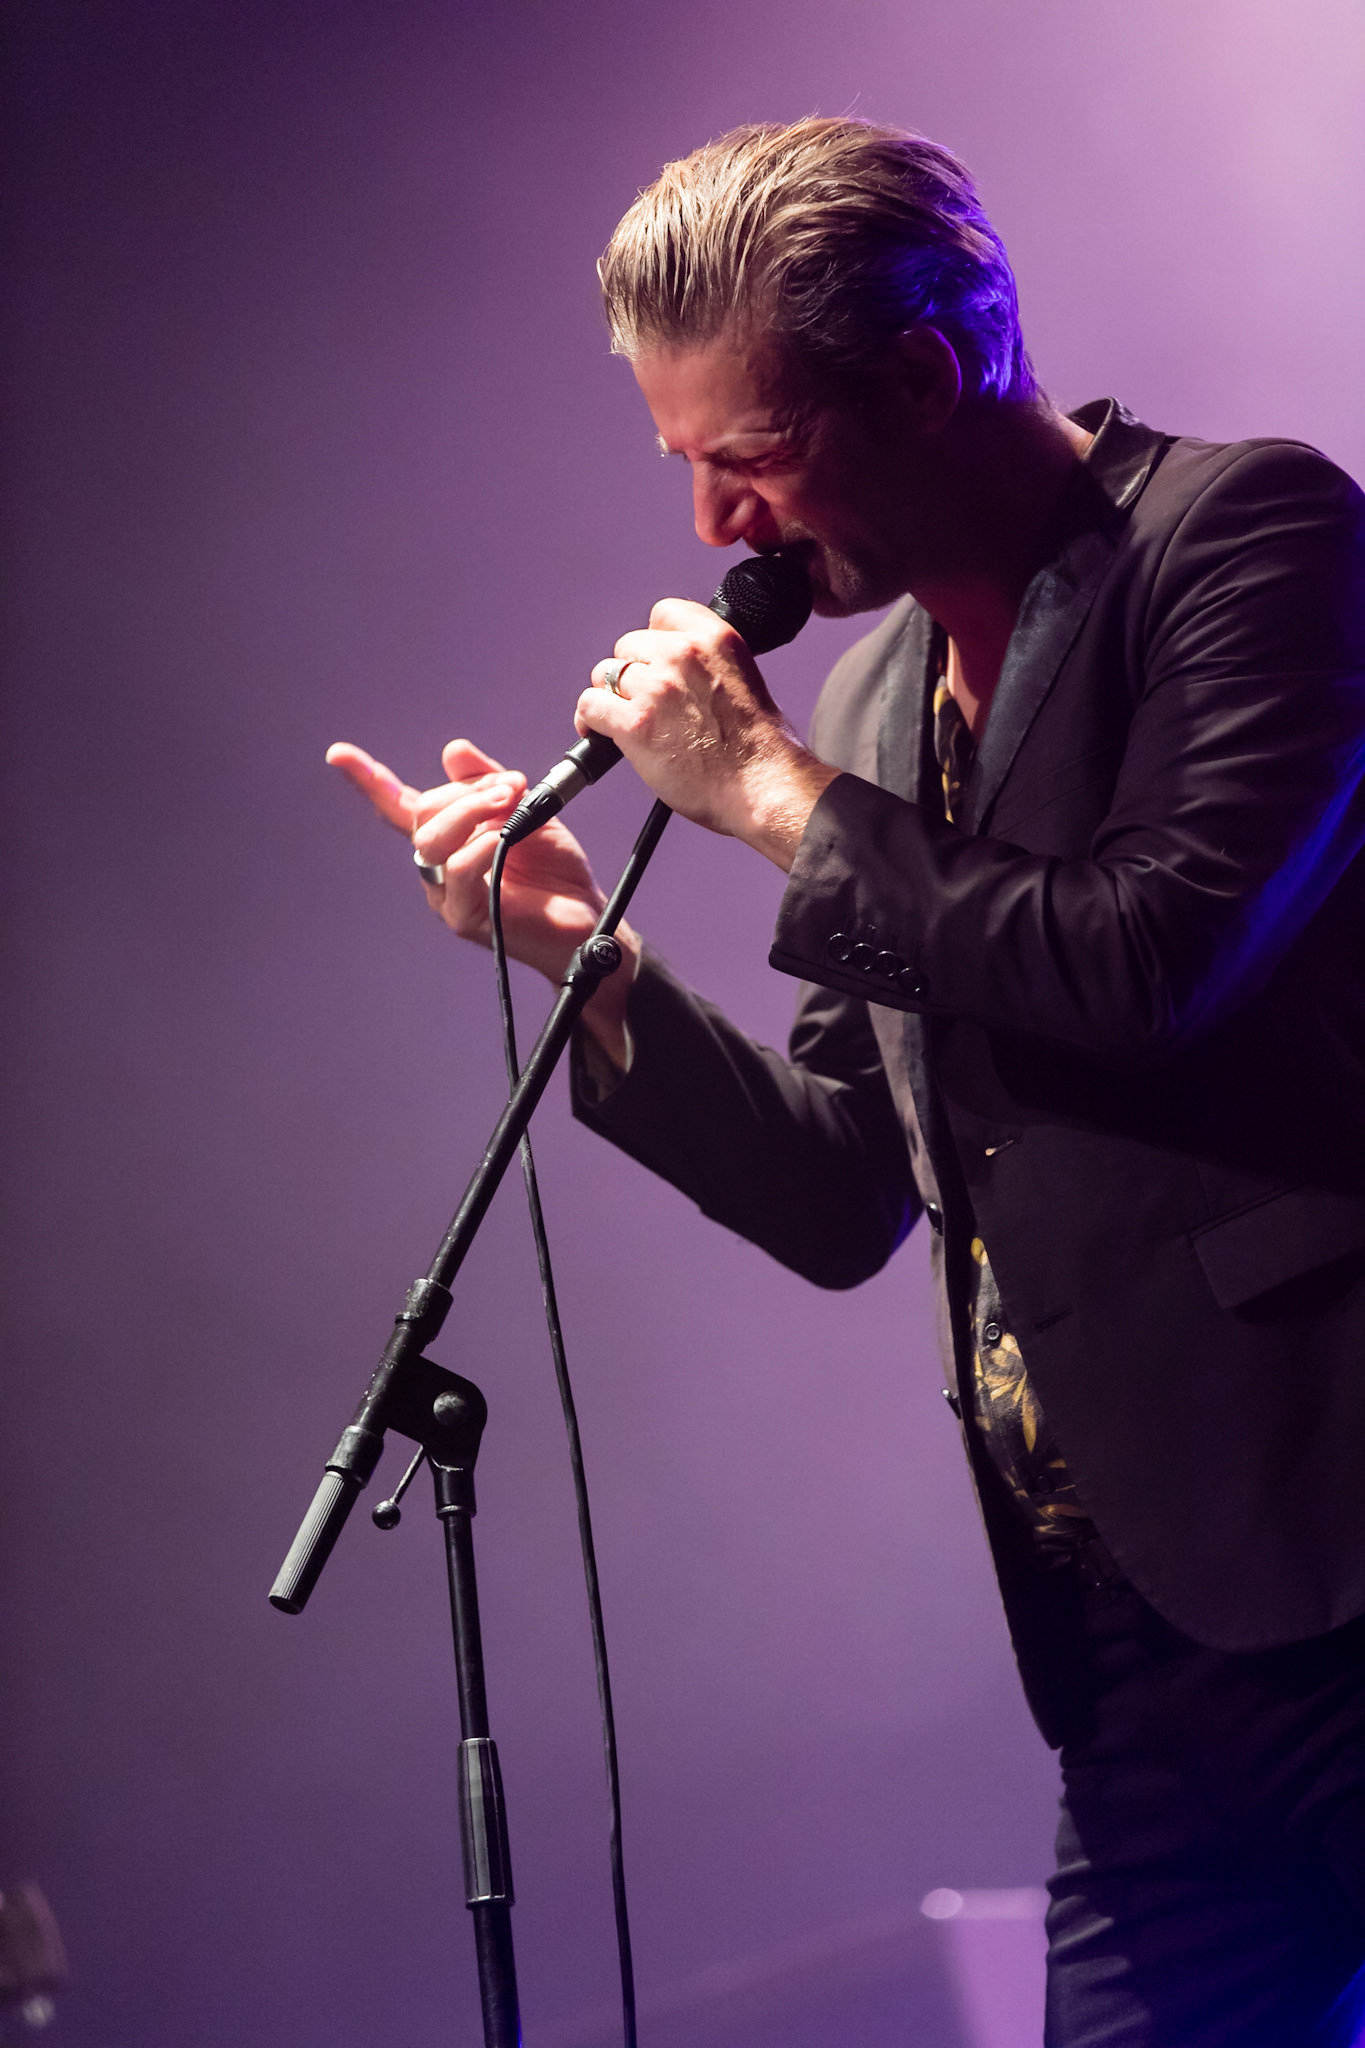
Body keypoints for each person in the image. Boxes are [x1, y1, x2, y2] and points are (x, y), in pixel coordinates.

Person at [327, 118, 1365, 2046]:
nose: (719, 524)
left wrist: (773, 801)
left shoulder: (1240, 536)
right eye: (687, 466)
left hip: (1332, 1547)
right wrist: (586, 958)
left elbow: (1155, 956)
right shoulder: (883, 696)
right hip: (1129, 1651)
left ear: (918, 374)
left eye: (752, 456)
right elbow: (837, 1189)